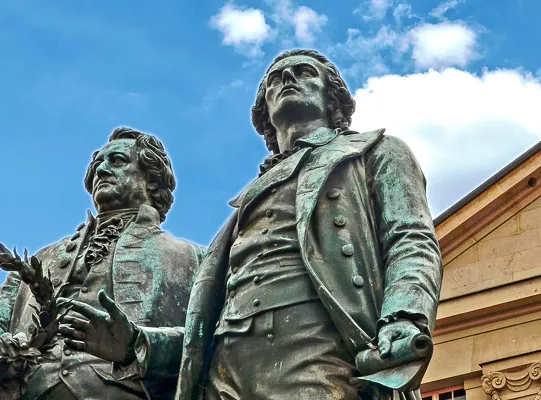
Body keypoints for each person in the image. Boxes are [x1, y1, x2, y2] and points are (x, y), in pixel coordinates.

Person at [61, 49, 443, 399]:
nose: (288, 79)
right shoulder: (242, 207)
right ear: (264, 111)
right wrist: (134, 342)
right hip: (224, 371)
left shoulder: (376, 152)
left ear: (333, 99)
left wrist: (404, 315)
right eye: (276, 79)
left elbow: (411, 240)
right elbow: (204, 330)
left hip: (318, 357)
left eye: (303, 72)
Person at [0, 127, 203, 399]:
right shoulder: (38, 260)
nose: (101, 170)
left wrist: (137, 345)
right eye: (97, 164)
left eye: (117, 161)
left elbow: (214, 343)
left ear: (152, 179)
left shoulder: (195, 258)